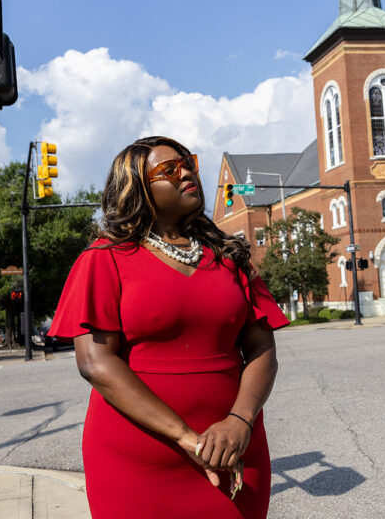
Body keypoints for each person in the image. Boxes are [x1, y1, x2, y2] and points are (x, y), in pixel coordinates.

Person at [48, 136, 289, 518]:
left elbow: (262, 348)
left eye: (188, 163)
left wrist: (239, 421)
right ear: (137, 188)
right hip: (137, 459)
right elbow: (95, 363)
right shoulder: (104, 258)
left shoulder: (230, 256)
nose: (187, 172)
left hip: (235, 447)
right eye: (169, 170)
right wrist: (186, 437)